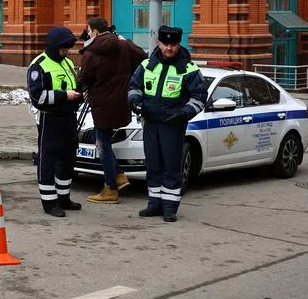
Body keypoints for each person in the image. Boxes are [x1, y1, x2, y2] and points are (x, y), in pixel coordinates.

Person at [127, 25, 207, 222]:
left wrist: (184, 114)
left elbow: (199, 97)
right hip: (150, 122)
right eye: (166, 44)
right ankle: (154, 204)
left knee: (171, 166)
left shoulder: (189, 69)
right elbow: (134, 86)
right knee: (153, 164)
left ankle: (170, 207)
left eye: (173, 44)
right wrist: (135, 101)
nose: (169, 48)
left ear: (179, 44)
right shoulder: (147, 65)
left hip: (173, 124)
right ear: (159, 43)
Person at [77, 17, 146, 204]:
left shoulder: (91, 52)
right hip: (120, 101)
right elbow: (142, 56)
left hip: (101, 104)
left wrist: (77, 90)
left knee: (103, 145)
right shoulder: (123, 45)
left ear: (95, 32)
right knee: (105, 142)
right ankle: (118, 176)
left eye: (89, 30)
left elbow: (84, 79)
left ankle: (111, 187)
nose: (87, 34)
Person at [27, 26, 82, 217]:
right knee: (48, 160)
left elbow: (73, 83)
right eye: (63, 48)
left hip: (68, 118)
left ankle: (63, 197)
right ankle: (49, 202)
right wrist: (65, 96)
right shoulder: (39, 65)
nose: (66, 51)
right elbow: (38, 97)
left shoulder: (66, 62)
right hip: (50, 119)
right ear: (53, 47)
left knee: (68, 158)